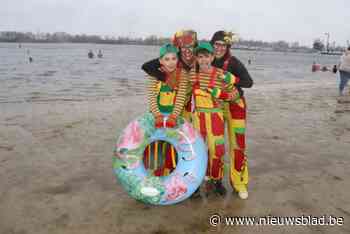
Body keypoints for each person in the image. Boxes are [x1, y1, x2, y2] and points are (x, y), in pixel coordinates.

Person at [189, 42, 240, 197]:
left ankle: (216, 180)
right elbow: (183, 94)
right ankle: (195, 184)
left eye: (207, 56)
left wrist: (221, 94)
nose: (204, 60)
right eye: (200, 56)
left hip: (215, 116)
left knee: (217, 150)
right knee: (197, 151)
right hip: (198, 118)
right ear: (196, 58)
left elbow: (236, 94)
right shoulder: (192, 75)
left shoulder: (220, 74)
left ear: (212, 57)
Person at [210, 31, 253, 199]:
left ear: (227, 47)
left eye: (223, 45)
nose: (219, 48)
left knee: (238, 145)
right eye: (216, 45)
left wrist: (232, 79)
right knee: (216, 145)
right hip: (216, 107)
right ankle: (215, 179)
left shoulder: (234, 62)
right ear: (212, 45)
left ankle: (239, 182)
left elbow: (249, 82)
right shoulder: (205, 61)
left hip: (236, 106)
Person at [143, 43, 188, 176]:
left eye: (173, 58)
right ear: (160, 60)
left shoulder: (182, 75)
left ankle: (171, 175)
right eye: (167, 59)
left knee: (172, 148)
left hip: (173, 116)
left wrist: (174, 116)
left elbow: (180, 97)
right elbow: (151, 96)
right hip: (156, 115)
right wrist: (157, 115)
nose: (170, 62)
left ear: (177, 59)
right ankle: (154, 175)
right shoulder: (154, 74)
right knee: (156, 146)